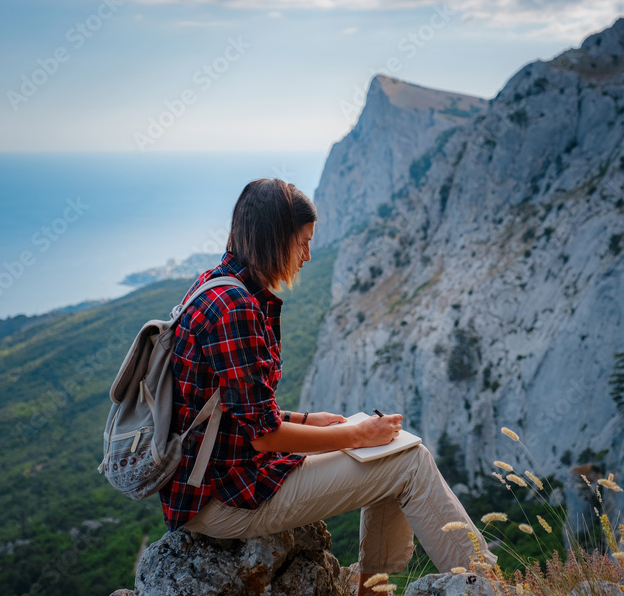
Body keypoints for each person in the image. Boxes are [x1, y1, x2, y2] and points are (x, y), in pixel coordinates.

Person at [160, 178, 496, 594]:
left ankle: (374, 588)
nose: (307, 255)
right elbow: (264, 438)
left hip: (215, 482)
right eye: (301, 242)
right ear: (275, 238)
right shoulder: (237, 309)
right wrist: (356, 434)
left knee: (394, 453)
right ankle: (487, 586)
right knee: (409, 463)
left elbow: (232, 408)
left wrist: (308, 420)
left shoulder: (213, 284)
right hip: (224, 498)